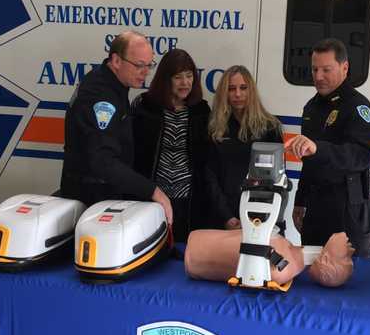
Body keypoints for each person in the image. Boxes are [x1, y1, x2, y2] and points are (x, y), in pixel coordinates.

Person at [60, 31, 173, 225]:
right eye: (139, 65)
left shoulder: (112, 84)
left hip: (102, 194)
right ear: (116, 60)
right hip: (91, 200)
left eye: (149, 65)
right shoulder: (101, 95)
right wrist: (153, 191)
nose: (145, 72)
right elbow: (103, 161)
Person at [285, 38, 370, 257]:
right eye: (314, 69)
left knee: (349, 277)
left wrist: (319, 148)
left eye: (326, 69)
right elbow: (309, 163)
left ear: (344, 68)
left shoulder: (358, 107)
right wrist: (300, 200)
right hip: (316, 208)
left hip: (348, 209)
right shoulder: (312, 107)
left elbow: (360, 156)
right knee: (312, 271)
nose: (318, 77)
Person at [132, 48, 210, 244]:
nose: (185, 83)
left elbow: (206, 160)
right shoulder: (144, 106)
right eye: (178, 77)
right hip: (153, 196)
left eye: (189, 76)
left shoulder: (201, 110)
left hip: (189, 199)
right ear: (166, 79)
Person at [206, 65, 283, 230]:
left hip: (260, 215)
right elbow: (210, 176)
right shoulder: (215, 128)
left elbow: (276, 180)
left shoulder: (270, 127)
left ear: (251, 91)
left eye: (243, 88)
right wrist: (226, 217)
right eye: (231, 89)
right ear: (224, 93)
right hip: (224, 215)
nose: (238, 94)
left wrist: (261, 217)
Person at [184, 229, 354, 288]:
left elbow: (239, 250)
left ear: (323, 259)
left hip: (196, 255)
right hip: (198, 249)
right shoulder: (287, 257)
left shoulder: (282, 268)